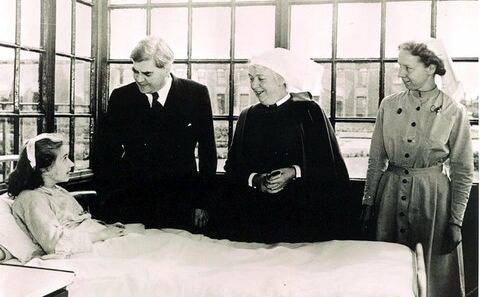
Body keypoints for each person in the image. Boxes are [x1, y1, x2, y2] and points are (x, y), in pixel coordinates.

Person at [360, 38, 474, 297]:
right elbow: (376, 159)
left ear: (431, 67)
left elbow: (463, 169)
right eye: (399, 66)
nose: (401, 74)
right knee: (386, 274)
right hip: (388, 201)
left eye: (408, 68)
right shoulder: (388, 105)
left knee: (431, 278)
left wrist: (455, 221)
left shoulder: (454, 111)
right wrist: (368, 204)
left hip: (432, 202)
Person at [218, 48, 350, 244]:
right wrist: (256, 180)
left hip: (301, 222)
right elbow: (233, 168)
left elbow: (330, 167)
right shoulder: (248, 116)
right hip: (255, 222)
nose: (254, 86)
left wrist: (294, 172)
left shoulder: (310, 112)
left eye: (261, 79)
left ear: (281, 79)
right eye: (251, 78)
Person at [95, 36, 217, 231]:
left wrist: (203, 202)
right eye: (135, 71)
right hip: (131, 202)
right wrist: (110, 196)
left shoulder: (196, 94)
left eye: (147, 73)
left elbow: (207, 152)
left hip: (180, 202)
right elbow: (107, 152)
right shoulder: (121, 97)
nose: (139, 79)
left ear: (167, 69)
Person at [8, 133, 126, 258]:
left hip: (95, 240)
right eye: (64, 158)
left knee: (142, 238)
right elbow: (56, 245)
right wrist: (103, 234)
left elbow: (77, 221)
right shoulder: (32, 199)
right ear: (44, 168)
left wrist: (105, 228)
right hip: (81, 252)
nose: (71, 164)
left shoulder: (56, 190)